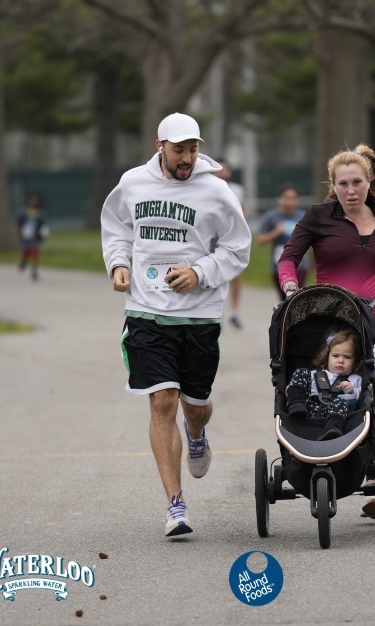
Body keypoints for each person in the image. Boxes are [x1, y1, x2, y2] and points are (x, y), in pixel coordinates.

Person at [101, 113, 251, 537]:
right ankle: (175, 505)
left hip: (198, 315)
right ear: (160, 147)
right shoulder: (133, 183)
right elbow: (116, 227)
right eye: (179, 149)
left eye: (193, 149)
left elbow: (238, 249)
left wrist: (199, 272)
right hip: (146, 311)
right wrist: (118, 263)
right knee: (162, 401)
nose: (187, 158)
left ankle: (197, 433)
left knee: (195, 405)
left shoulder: (216, 191)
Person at [277, 143, 375, 520]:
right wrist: (290, 286)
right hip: (334, 329)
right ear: (332, 185)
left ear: (369, 182)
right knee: (328, 395)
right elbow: (288, 258)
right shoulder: (319, 217)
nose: (350, 191)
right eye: (343, 184)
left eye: (357, 183)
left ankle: (372, 476)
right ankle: (324, 464)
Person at [285, 330, 363, 441]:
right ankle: (295, 401)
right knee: (301, 371)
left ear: (355, 361)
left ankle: (332, 429)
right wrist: (290, 390)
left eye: (347, 357)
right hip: (306, 410)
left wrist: (351, 391)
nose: (341, 360)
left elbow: (361, 399)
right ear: (327, 357)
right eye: (335, 356)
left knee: (341, 402)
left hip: (335, 415)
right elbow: (300, 383)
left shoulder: (354, 379)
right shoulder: (315, 374)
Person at [257, 185, 309, 301]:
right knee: (284, 300)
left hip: (300, 264)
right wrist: (276, 232)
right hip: (278, 265)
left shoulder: (303, 216)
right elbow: (260, 240)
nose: (289, 201)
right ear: (280, 198)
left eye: (293, 198)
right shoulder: (271, 217)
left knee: (296, 297)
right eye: (286, 197)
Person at [213, 158, 246, 329]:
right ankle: (216, 312)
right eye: (219, 168)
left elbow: (243, 211)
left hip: (231, 237)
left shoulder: (237, 190)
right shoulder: (206, 188)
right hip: (212, 237)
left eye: (225, 168)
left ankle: (234, 312)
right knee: (214, 273)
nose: (222, 171)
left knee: (234, 274)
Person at [16, 192, 49, 281]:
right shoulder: (23, 212)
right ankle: (23, 262)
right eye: (32, 200)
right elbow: (18, 223)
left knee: (35, 253)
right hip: (25, 236)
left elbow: (43, 225)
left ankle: (34, 271)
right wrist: (19, 233)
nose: (34, 202)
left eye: (36, 201)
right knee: (25, 253)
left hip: (35, 236)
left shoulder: (40, 213)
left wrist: (43, 234)